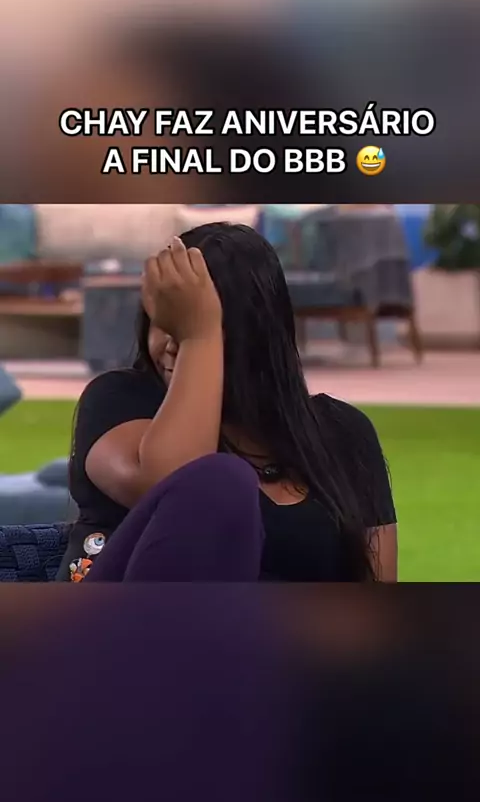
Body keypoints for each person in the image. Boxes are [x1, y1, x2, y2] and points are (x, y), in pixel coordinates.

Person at [57, 223, 397, 582]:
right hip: (129, 615)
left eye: (198, 322)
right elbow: (183, 492)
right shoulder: (118, 400)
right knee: (224, 481)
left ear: (261, 331)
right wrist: (199, 338)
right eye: (165, 322)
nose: (172, 344)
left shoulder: (343, 433)